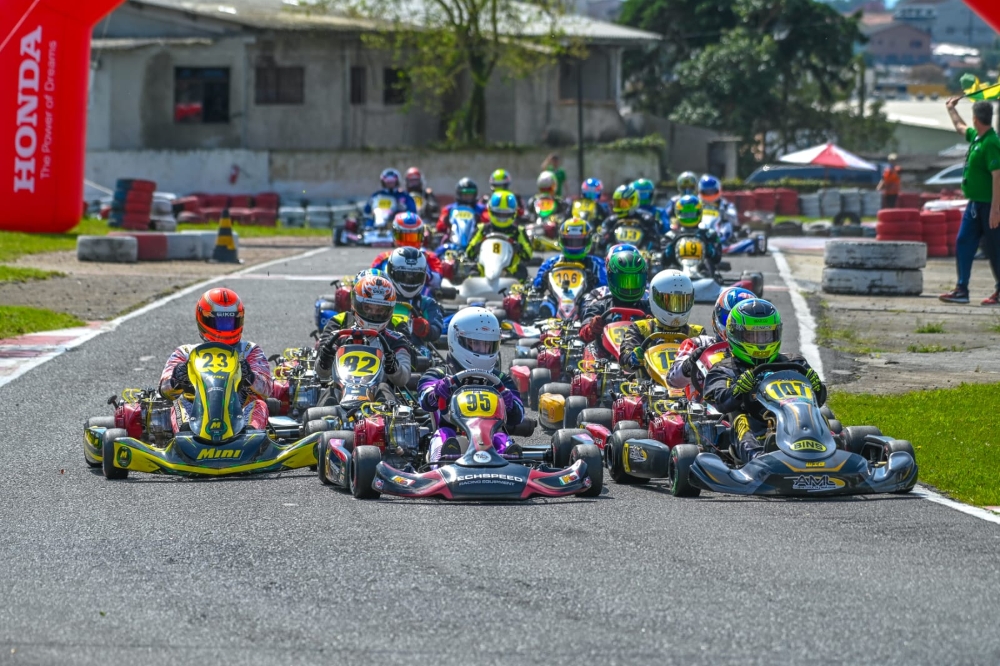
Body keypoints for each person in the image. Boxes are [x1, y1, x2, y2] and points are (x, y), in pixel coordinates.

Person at [703, 299, 825, 463]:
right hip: (755, 429)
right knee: (741, 420)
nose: (760, 343)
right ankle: (759, 459)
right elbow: (719, 401)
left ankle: (831, 450)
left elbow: (818, 401)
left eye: (765, 335)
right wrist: (737, 390)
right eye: (751, 335)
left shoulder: (795, 363)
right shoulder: (724, 369)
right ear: (735, 334)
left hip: (797, 423)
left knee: (820, 416)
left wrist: (817, 388)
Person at [418, 307, 525, 462]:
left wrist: (510, 404)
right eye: (476, 344)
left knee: (500, 436)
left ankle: (510, 458)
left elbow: (519, 415)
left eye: (487, 345)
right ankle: (442, 461)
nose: (482, 350)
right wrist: (435, 393)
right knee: (445, 434)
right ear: (457, 339)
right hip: (452, 436)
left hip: (490, 437)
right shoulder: (439, 374)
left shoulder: (501, 379)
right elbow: (423, 398)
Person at [159, 288, 271, 433]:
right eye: (218, 322)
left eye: (230, 321)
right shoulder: (186, 353)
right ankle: (185, 434)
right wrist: (176, 379)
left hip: (239, 414)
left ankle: (250, 434)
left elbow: (267, 389)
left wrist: (250, 377)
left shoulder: (250, 351)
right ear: (203, 319)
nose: (224, 327)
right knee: (178, 403)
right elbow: (164, 389)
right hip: (197, 414)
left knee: (260, 404)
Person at [940, 98, 1000, 306]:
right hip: (975, 205)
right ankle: (961, 289)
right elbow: (959, 127)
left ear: (975, 118)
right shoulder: (977, 137)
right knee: (964, 242)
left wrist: (995, 209)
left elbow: (997, 176)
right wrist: (951, 109)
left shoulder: (991, 142)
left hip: (990, 207)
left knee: (995, 249)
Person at [315, 272, 413, 390]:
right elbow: (321, 373)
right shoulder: (338, 336)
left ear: (389, 310)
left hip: (380, 399)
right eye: (368, 308)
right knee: (328, 392)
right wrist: (325, 360)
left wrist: (393, 367)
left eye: (380, 309)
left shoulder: (396, 340)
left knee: (384, 388)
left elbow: (404, 378)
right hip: (340, 392)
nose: (373, 314)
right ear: (356, 305)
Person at [668, 286, 755, 393]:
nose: (737, 326)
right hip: (701, 406)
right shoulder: (698, 343)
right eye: (729, 319)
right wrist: (689, 363)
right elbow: (673, 380)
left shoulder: (759, 353)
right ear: (716, 317)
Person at [618, 270, 704, 373]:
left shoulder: (697, 333)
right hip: (647, 385)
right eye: (669, 302)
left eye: (681, 302)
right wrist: (632, 358)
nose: (676, 308)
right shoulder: (641, 328)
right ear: (654, 298)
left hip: (685, 385)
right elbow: (624, 361)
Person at [579, 245, 651, 353]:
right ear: (611, 278)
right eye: (624, 281)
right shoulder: (600, 303)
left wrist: (653, 325)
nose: (629, 288)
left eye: (634, 281)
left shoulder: (649, 306)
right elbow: (583, 334)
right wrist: (592, 328)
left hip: (638, 360)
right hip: (604, 361)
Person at [531, 218, 607, 315]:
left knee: (590, 305)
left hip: (584, 303)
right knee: (545, 303)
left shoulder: (597, 263)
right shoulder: (552, 262)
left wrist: (594, 282)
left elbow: (606, 289)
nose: (574, 246)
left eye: (578, 242)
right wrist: (543, 279)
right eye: (570, 242)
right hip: (557, 303)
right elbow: (536, 285)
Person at [466, 190, 534, 279]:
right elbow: (469, 253)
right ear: (491, 211)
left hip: (510, 273)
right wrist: (476, 247)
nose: (502, 218)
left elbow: (528, 255)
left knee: (522, 271)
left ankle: (517, 291)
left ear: (513, 213)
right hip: (484, 272)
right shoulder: (482, 229)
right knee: (472, 271)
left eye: (505, 214)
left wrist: (519, 248)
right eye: (498, 214)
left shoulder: (518, 231)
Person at [384, 247, 444, 344]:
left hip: (415, 350)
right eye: (403, 275)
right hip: (382, 346)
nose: (409, 280)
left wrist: (426, 329)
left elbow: (437, 329)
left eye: (415, 276)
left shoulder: (427, 303)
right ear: (391, 272)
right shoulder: (381, 300)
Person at [371, 212, 444, 288]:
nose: (409, 243)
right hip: (391, 296)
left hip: (422, 296)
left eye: (413, 238)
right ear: (395, 235)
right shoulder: (383, 258)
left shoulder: (430, 257)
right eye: (404, 237)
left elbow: (438, 281)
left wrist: (426, 276)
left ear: (421, 236)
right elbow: (371, 278)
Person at [663, 194, 722, 267]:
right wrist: (668, 251)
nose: (689, 217)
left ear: (699, 213)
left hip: (704, 273)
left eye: (692, 214)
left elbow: (717, 259)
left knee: (707, 263)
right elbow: (663, 261)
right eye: (686, 214)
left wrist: (710, 250)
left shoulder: (709, 235)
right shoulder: (671, 236)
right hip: (677, 274)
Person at [598, 184, 659, 253]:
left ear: (634, 201)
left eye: (624, 203)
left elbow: (655, 241)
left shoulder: (646, 219)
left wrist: (646, 250)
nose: (620, 206)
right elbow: (601, 240)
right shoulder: (610, 221)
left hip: (640, 256)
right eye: (618, 203)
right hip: (616, 256)